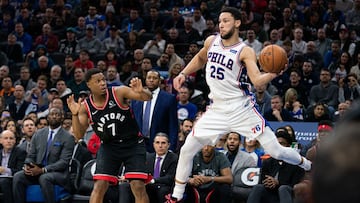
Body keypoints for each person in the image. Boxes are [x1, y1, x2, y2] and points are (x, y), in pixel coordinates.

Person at [166, 7, 311, 202]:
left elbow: (257, 81)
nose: (221, 24)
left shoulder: (245, 51)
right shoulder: (211, 41)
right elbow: (201, 57)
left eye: (226, 20)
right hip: (217, 109)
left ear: (237, 23)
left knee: (275, 150)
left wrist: (274, 73)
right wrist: (183, 73)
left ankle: (307, 164)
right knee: (186, 149)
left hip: (241, 108)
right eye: (219, 21)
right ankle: (175, 197)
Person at [67, 68, 152, 203]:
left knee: (137, 185)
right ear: (89, 84)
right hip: (109, 146)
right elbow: (79, 135)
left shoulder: (119, 92)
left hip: (133, 144)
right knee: (99, 186)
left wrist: (142, 91)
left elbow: (148, 97)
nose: (102, 83)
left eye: (103, 80)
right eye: (98, 81)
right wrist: (75, 115)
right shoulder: (85, 106)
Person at [12, 107, 75, 203]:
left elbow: (63, 162)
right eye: (51, 114)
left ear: (62, 118)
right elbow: (31, 155)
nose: (54, 116)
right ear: (47, 117)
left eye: (57, 114)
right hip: (38, 170)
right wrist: (28, 166)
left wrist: (43, 170)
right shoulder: (38, 134)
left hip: (58, 174)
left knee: (44, 177)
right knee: (18, 176)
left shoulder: (68, 137)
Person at [247, 130, 305, 203]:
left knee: (283, 188)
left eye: (282, 144)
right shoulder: (268, 162)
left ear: (288, 146)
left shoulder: (296, 163)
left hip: (287, 194)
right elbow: (262, 181)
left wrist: (278, 183)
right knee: (258, 187)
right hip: (270, 194)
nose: (279, 147)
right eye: (277, 144)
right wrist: (268, 182)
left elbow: (296, 185)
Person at [0, 130, 27, 203]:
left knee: (3, 182)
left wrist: (4, 170)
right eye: (6, 138)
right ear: (1, 140)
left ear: (15, 141)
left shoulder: (20, 152)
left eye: (11, 138)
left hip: (12, 179)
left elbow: (19, 171)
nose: (8, 141)